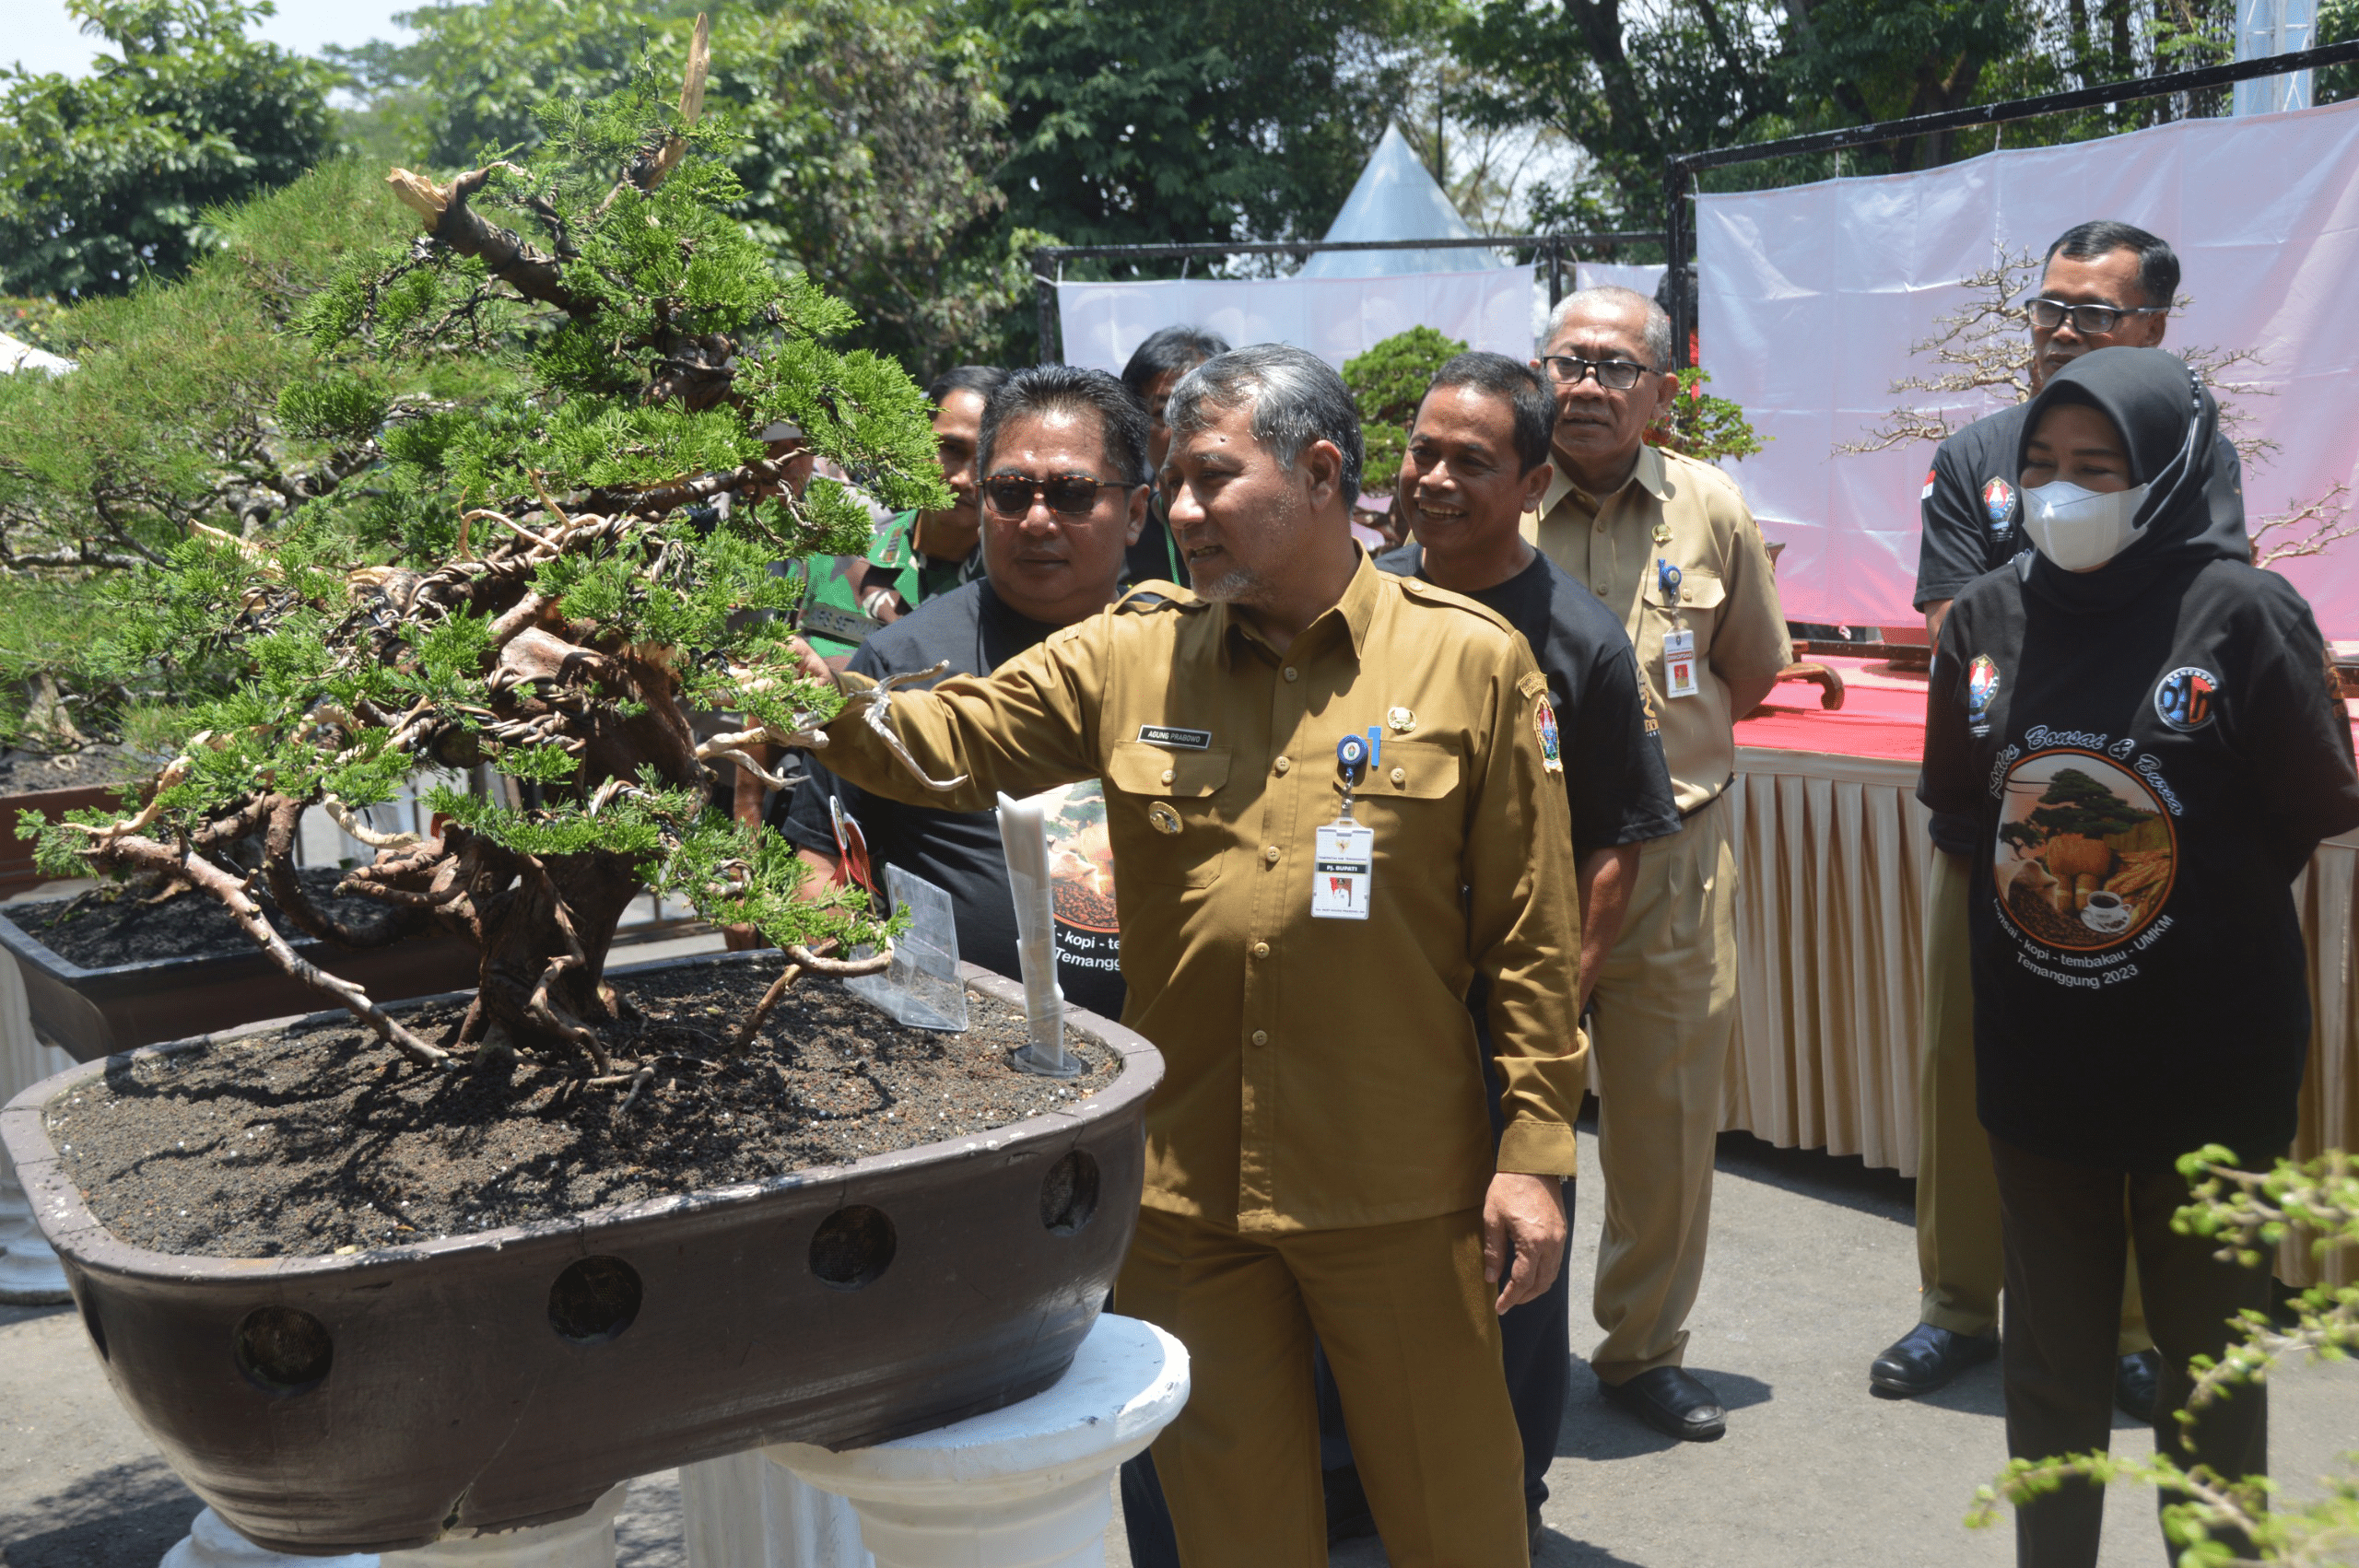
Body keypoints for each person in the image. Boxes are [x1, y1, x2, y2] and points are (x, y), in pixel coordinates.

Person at [785, 343, 1587, 1566]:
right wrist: (782, 693)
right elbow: (947, 738)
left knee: (1457, 1518)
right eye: (1172, 479)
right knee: (1229, 1532)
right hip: (1187, 1198)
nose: (1184, 510)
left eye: (1214, 477)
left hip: (1398, 1186)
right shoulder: (1132, 647)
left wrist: (1534, 1154)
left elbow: (1532, 934)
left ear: (1321, 474)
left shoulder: (1468, 661)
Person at [1919, 345, 2359, 1567]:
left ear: (2163, 473)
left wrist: (2184, 893)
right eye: (2043, 467)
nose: (2061, 492)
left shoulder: (2241, 611)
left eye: (2096, 468)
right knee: (2049, 1375)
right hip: (2042, 1064)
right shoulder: (1991, 615)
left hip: (2209, 1065)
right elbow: (1963, 804)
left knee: (2210, 1375)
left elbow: (2320, 799)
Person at [1877, 219, 2248, 1410]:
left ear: (2153, 329)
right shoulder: (1977, 450)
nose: (2062, 333)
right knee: (1964, 1061)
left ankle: (2133, 1326)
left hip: (2137, 823)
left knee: (2128, 1066)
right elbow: (1951, 623)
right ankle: (1953, 1305)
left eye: (2094, 313)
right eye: (2049, 309)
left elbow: (2208, 613)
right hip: (1992, 824)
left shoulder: (2192, 448)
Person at [1344, 350, 1678, 1547]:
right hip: (1358, 1023)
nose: (1431, 478)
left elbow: (1613, 852)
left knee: (1505, 1287)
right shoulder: (1351, 599)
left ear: (1533, 480)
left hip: (1499, 1046)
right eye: (1421, 452)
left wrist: (1537, 1022)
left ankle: (1506, 1510)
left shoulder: (1579, 642)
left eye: (1469, 461)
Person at [1523, 285, 1791, 1442]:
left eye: (1613, 367)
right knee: (1488, 1099)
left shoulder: (1710, 506)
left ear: (1661, 393)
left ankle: (1641, 1348)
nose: (1585, 386)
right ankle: (1481, 1340)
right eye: (1566, 362)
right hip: (1518, 860)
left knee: (1665, 1123)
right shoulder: (1491, 494)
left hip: (1674, 855)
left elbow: (1752, 667)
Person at [780, 366, 1145, 1022]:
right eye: (1010, 492)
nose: (1037, 519)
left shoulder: (1185, 661)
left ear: (1137, 512)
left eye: (1071, 493)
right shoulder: (899, 663)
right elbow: (819, 863)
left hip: (1160, 1069)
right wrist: (877, 1002)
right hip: (953, 1066)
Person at [789, 364, 1007, 662]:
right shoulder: (836, 547)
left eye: (986, 459)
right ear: (917, 443)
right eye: (951, 449)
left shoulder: (1009, 593)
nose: (963, 480)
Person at [1118, 324, 1230, 587]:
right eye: (1164, 412)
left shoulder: (1257, 523)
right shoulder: (1119, 536)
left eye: (1199, 410)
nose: (1183, 429)